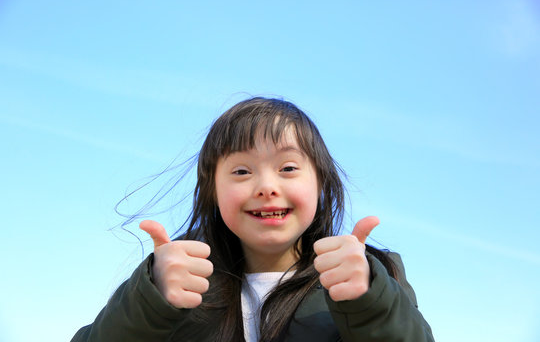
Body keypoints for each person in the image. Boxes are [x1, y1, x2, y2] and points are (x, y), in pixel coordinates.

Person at [72, 97, 434, 342]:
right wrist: (151, 300)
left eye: (288, 168)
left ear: (321, 183)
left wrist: (369, 299)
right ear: (212, 189)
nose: (266, 186)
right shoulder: (174, 280)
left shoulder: (373, 274)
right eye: (242, 171)